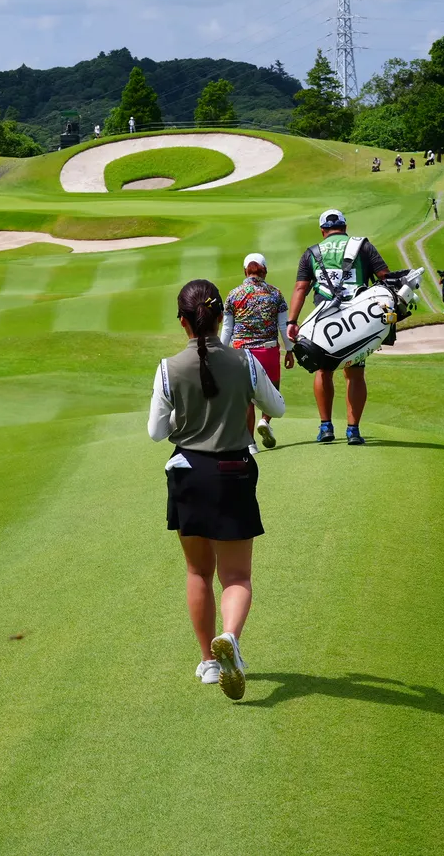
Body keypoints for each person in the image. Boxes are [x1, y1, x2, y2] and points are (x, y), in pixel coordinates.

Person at [148, 279, 286, 700]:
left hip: (188, 474)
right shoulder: (245, 361)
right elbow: (276, 408)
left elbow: (156, 432)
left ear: (183, 321)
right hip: (234, 473)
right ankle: (230, 637)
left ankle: (209, 662)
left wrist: (186, 419)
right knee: (237, 576)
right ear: (221, 317)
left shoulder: (168, 367)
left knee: (198, 572)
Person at [286, 209, 391, 446]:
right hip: (358, 321)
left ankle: (326, 427)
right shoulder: (363, 246)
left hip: (325, 324)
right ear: (344, 227)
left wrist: (292, 322)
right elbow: (385, 277)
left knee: (323, 370)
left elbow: (301, 288)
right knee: (355, 373)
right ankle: (353, 431)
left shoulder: (312, 252)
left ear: (322, 231)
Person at [223, 253, 294, 452]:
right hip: (268, 351)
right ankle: (265, 420)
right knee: (272, 391)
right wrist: (289, 350)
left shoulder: (233, 294)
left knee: (247, 398)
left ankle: (250, 443)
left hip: (241, 353)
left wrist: (220, 351)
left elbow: (227, 328)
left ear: (245, 271)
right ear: (265, 271)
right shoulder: (275, 293)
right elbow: (283, 326)